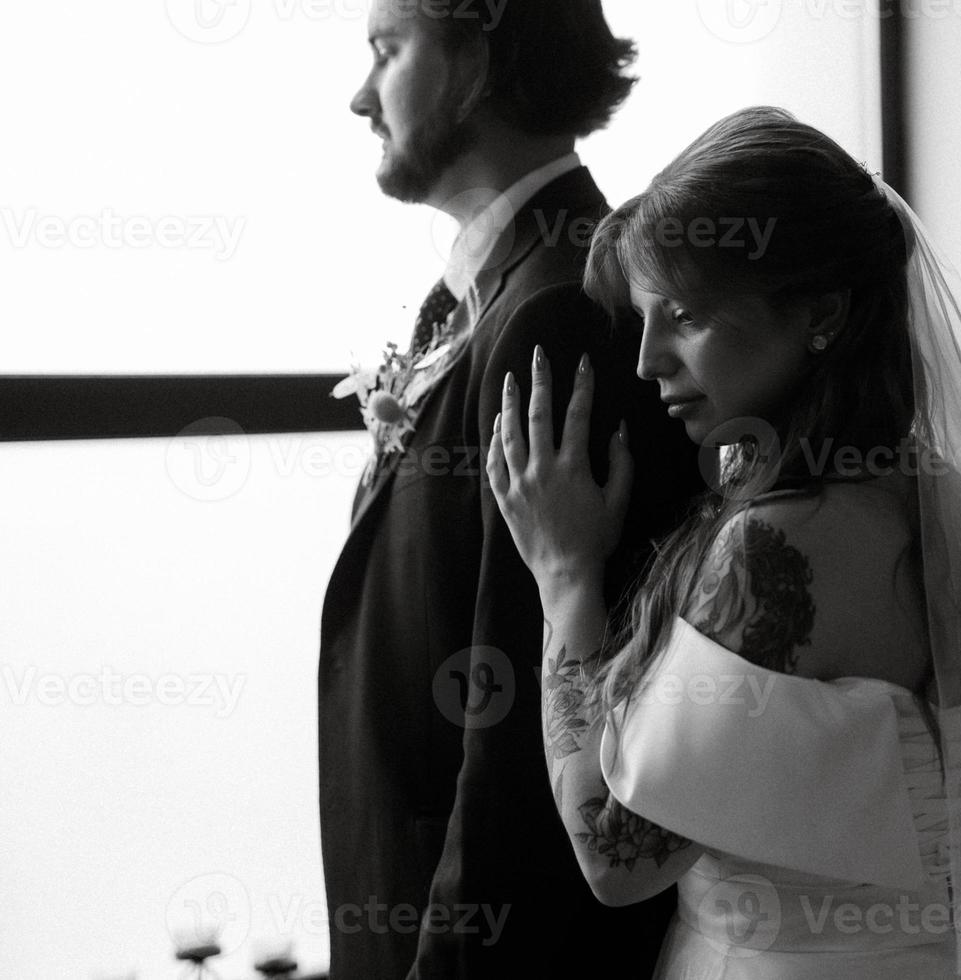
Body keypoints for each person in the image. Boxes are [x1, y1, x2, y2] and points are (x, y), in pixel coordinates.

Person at [487, 105, 961, 978]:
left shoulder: (777, 547)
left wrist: (564, 578)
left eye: (685, 316)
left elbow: (615, 859)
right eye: (644, 320)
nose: (647, 361)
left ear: (820, 313)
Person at [318, 1, 702, 977]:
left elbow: (521, 719)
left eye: (384, 51)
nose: (359, 96)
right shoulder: (486, 291)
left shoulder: (561, 307)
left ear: (475, 58)